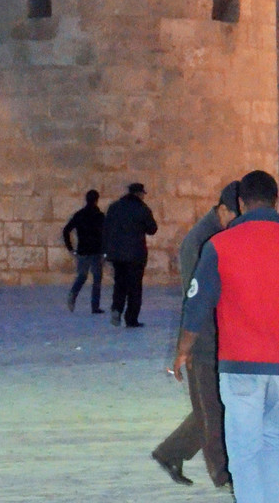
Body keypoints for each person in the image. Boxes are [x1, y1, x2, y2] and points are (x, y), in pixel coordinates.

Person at [173, 170, 279, 503]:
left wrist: (183, 350)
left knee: (244, 451)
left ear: (240, 202)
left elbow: (197, 306)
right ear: (277, 201)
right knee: (277, 442)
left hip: (240, 366)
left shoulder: (219, 246)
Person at [152, 181, 242, 489]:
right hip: (204, 338)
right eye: (237, 216)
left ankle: (170, 452)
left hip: (219, 335)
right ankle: (222, 474)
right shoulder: (200, 243)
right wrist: (188, 347)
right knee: (211, 410)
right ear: (223, 210)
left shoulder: (218, 235)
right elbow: (196, 298)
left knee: (211, 405)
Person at [103, 182, 157, 328]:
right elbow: (152, 229)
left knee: (120, 283)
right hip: (136, 254)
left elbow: (106, 228)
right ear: (139, 194)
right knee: (135, 287)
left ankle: (117, 308)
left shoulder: (114, 207)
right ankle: (131, 318)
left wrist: (107, 250)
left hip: (117, 254)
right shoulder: (142, 209)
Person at [62, 189, 105, 314]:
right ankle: (95, 306)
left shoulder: (79, 214)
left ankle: (73, 294)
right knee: (97, 278)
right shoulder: (99, 216)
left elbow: (66, 231)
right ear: (96, 200)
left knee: (82, 276)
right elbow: (107, 233)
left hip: (83, 250)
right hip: (96, 250)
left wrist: (70, 248)